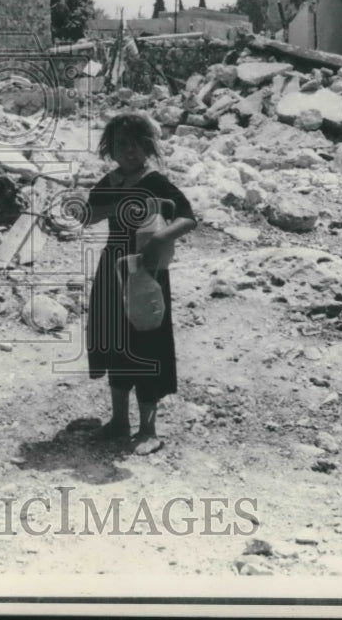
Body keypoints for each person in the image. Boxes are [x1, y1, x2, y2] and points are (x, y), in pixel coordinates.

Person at [83, 112, 197, 455]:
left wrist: (160, 238)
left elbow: (188, 218)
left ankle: (149, 430)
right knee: (116, 343)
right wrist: (114, 204)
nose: (129, 151)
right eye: (122, 144)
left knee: (147, 345)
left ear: (147, 147)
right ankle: (119, 421)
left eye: (135, 144)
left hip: (147, 272)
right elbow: (88, 215)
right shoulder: (111, 182)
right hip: (113, 270)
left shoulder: (155, 182)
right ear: (111, 149)